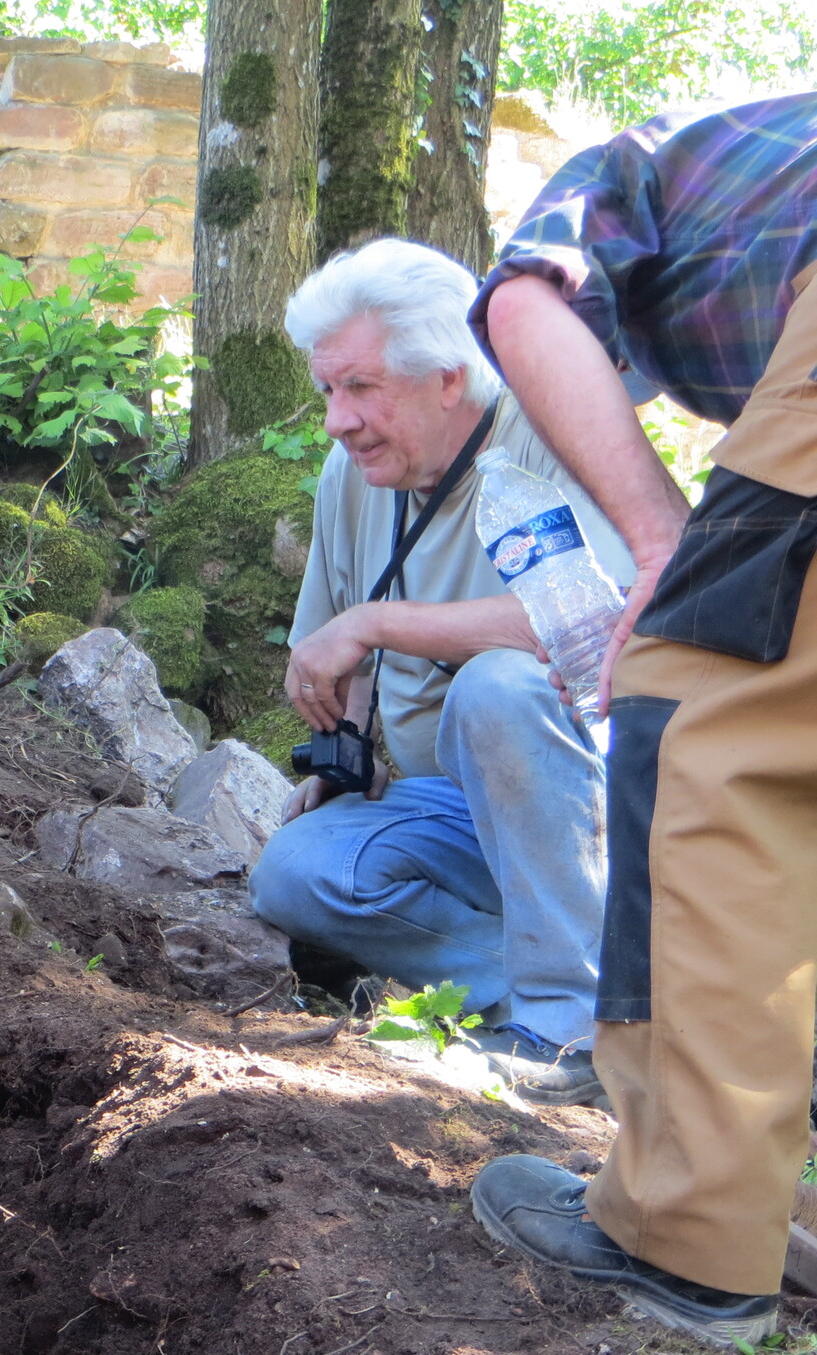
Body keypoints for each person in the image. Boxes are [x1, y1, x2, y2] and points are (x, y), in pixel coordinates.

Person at [465, 93, 817, 1345]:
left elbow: (522, 307)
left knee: (700, 727)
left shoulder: (624, 168)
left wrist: (665, 541)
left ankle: (683, 1232)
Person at [248, 239, 634, 1106]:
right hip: (455, 806)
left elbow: (587, 623)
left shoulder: (550, 434)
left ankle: (569, 1033)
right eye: (327, 391)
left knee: (500, 687)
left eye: (360, 387)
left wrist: (377, 622)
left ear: (449, 378)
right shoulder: (354, 474)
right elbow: (336, 650)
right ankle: (611, 999)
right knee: (297, 873)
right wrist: (345, 747)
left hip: (598, 807)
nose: (336, 420)